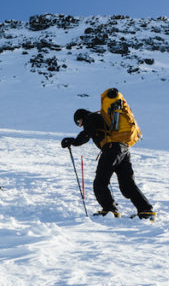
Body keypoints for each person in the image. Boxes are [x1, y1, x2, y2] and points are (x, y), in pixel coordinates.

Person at [61, 88, 155, 219]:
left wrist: (72, 141)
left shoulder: (90, 118)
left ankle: (109, 210)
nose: (80, 125)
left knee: (100, 182)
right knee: (127, 184)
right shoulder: (101, 118)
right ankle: (146, 210)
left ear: (81, 118)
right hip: (124, 150)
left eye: (78, 123)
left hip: (112, 149)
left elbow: (86, 135)